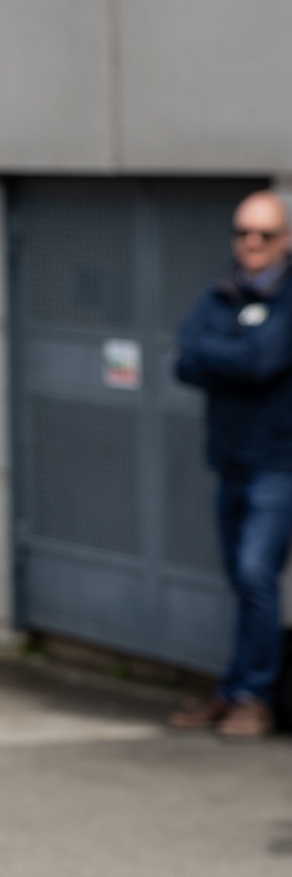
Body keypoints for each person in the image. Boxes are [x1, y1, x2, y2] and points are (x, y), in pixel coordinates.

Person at [173, 190, 292, 737]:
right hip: (231, 462)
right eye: (243, 232)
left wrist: (227, 357)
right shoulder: (222, 290)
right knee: (240, 580)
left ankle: (255, 697)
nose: (251, 243)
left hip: (278, 464)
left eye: (264, 234)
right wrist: (237, 358)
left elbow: (264, 359)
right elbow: (184, 356)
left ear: (285, 240)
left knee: (255, 575)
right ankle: (235, 686)